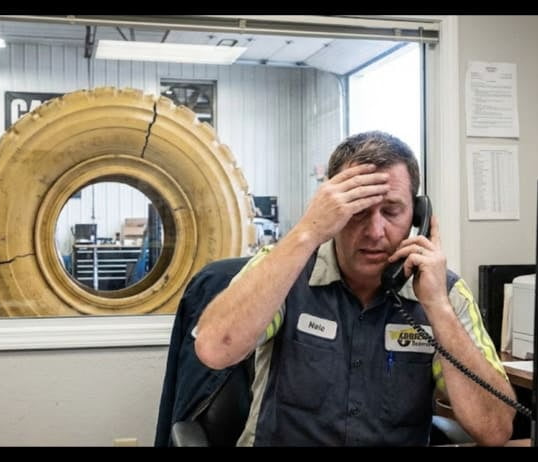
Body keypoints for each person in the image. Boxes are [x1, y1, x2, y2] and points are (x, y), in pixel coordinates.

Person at [194, 131, 515, 446]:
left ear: (418, 217)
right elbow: (214, 350)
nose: (375, 231)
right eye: (358, 211)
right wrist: (307, 231)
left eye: (391, 211)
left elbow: (495, 430)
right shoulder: (284, 270)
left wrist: (438, 309)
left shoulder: (444, 292)